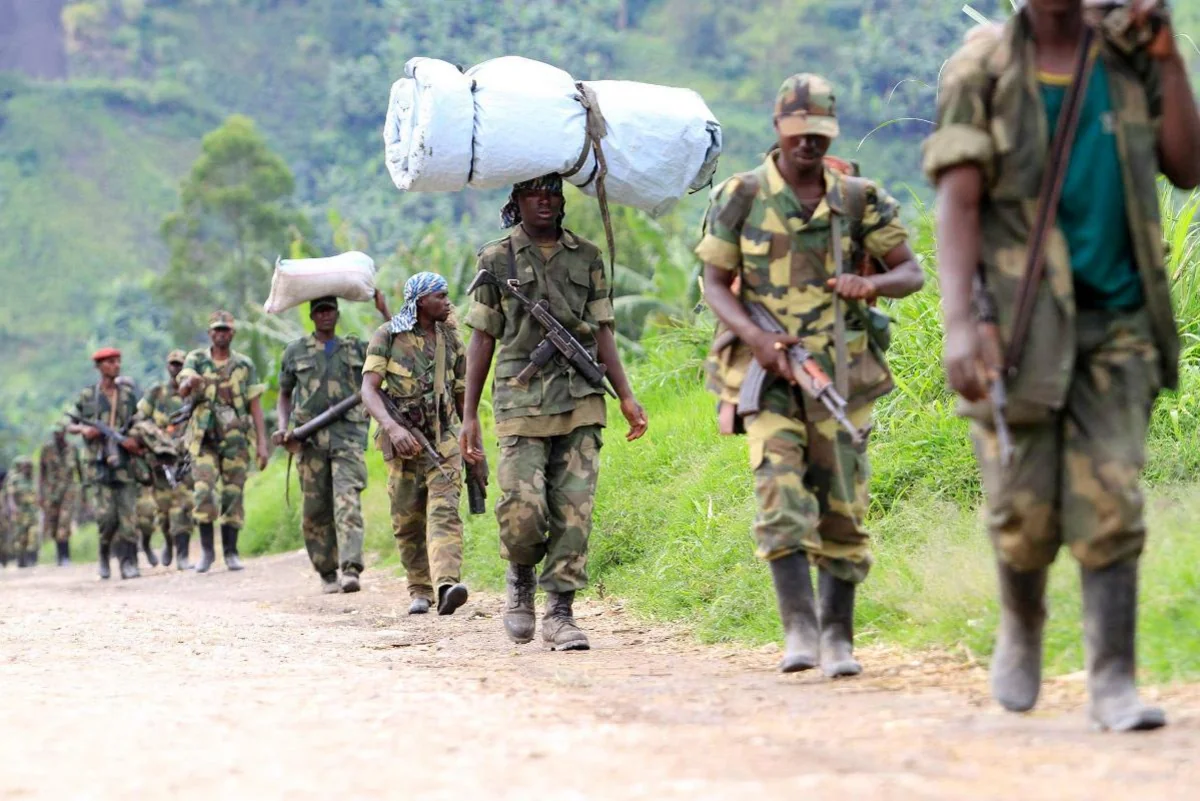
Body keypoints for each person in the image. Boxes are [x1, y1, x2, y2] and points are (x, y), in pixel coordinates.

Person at [924, 0, 1200, 731]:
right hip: (1018, 324)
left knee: (1112, 499)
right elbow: (957, 200)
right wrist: (960, 324)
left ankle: (1113, 677)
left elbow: (1188, 164)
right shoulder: (981, 67)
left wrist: (1170, 59)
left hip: (1118, 320)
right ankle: (1022, 623)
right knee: (1023, 510)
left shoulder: (1129, 57)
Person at [699, 74, 923, 676]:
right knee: (780, 496)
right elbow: (714, 283)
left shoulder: (857, 199)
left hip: (841, 375)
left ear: (832, 132)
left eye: (818, 135)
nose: (807, 146)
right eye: (798, 134)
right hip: (767, 377)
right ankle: (799, 630)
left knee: (843, 510)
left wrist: (870, 283)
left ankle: (838, 636)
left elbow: (912, 272)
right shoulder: (741, 196)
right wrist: (757, 340)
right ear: (778, 129)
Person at [461, 174, 648, 650]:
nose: (544, 202)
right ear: (517, 201)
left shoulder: (587, 256)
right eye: (533, 195)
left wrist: (625, 395)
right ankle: (520, 579)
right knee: (524, 509)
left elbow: (603, 330)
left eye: (552, 194)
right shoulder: (495, 258)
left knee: (574, 510)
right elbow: (482, 338)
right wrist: (469, 417)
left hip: (581, 395)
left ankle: (561, 612)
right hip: (520, 399)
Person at [361, 275, 470, 614]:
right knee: (407, 520)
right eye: (440, 296)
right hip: (403, 445)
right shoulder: (388, 336)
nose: (447, 301)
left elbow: (463, 393)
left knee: (445, 511)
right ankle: (420, 589)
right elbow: (368, 390)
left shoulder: (451, 339)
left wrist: (469, 438)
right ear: (421, 301)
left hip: (444, 440)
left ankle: (447, 584)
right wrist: (392, 429)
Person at [275, 297, 370, 594]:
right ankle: (327, 572)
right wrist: (282, 426)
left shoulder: (355, 348)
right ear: (312, 316)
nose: (325, 316)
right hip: (310, 439)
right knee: (315, 509)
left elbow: (394, 344)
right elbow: (284, 394)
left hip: (348, 437)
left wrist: (382, 307)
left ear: (338, 315)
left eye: (330, 310)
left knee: (347, 502)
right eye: (320, 311)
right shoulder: (295, 352)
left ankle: (351, 568)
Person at [178, 311, 270, 573]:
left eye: (225, 329)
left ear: (232, 333)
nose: (221, 333)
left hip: (235, 438)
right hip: (203, 438)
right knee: (203, 490)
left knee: (233, 494)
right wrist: (191, 382)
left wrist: (262, 443)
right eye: (217, 329)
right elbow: (182, 386)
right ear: (210, 334)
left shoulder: (244, 365)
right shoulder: (196, 360)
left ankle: (230, 552)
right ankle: (207, 552)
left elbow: (255, 404)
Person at [65, 347, 145, 580]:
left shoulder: (128, 395)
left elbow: (140, 421)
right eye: (110, 362)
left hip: (124, 463)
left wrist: (133, 439)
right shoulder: (88, 396)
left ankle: (129, 563)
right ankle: (104, 556)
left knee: (128, 517)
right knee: (106, 517)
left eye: (118, 361)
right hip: (98, 465)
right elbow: (69, 424)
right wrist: (85, 430)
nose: (116, 365)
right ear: (99, 367)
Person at [135, 349, 195, 570]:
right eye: (173, 364)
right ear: (167, 367)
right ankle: (169, 543)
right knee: (164, 511)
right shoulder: (157, 392)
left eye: (180, 365)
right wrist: (156, 439)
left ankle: (183, 556)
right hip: (161, 460)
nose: (176, 369)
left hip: (187, 457)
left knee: (186, 504)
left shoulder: (195, 392)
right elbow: (139, 418)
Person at [39, 426, 81, 566]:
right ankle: (59, 555)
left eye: (60, 434)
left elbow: (79, 470)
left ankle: (65, 556)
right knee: (54, 523)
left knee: (64, 522)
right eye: (55, 434)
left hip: (68, 491)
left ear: (64, 433)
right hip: (51, 492)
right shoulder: (47, 450)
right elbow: (42, 473)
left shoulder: (72, 449)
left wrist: (84, 493)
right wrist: (41, 494)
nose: (57, 436)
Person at [5, 456, 39, 568]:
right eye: (25, 466)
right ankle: (21, 561)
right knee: (20, 538)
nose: (27, 469)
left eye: (29, 466)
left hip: (32, 513)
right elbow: (10, 495)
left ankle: (32, 560)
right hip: (20, 513)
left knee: (33, 535)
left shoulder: (32, 479)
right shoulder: (15, 479)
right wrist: (12, 507)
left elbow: (36, 495)